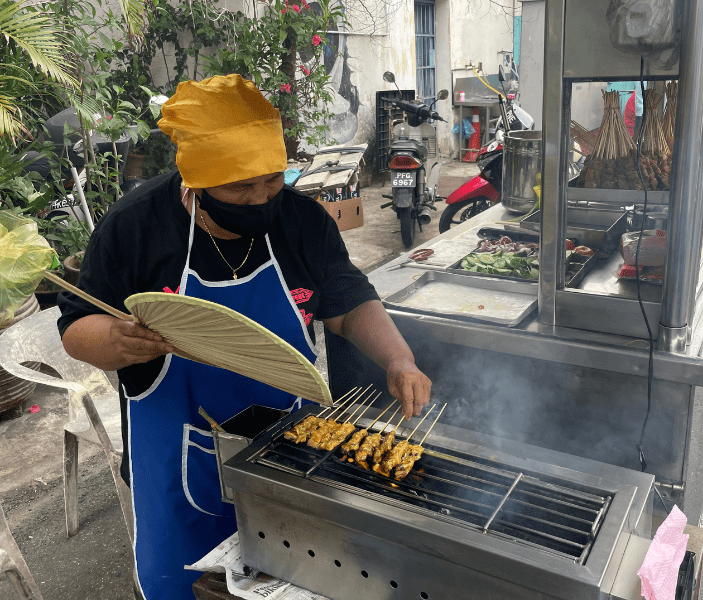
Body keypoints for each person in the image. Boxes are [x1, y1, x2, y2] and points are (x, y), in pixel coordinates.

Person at [56, 74, 432, 599]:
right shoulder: (133, 228)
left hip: (291, 452)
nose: (260, 199)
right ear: (197, 181)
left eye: (272, 180)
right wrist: (115, 341)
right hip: (178, 456)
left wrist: (399, 359)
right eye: (239, 187)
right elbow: (75, 326)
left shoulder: (302, 221)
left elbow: (348, 304)